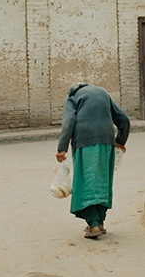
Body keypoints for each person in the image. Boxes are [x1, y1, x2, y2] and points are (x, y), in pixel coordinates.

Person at [56, 82, 130, 239]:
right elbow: (124, 120)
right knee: (102, 181)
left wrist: (61, 148)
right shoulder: (103, 93)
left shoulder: (72, 97)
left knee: (85, 182)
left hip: (85, 142)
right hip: (106, 142)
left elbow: (69, 121)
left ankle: (94, 224)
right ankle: (100, 223)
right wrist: (120, 141)